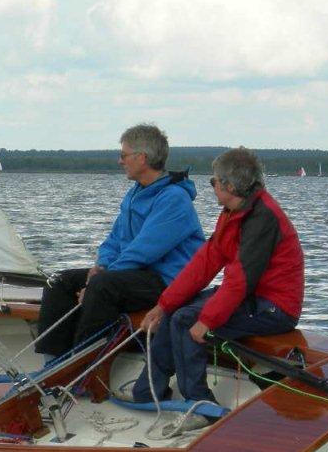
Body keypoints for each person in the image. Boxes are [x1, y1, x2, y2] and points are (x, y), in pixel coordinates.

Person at [133, 146, 304, 404]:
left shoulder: (262, 218)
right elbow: (206, 261)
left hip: (275, 306)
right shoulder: (234, 212)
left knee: (186, 321)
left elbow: (241, 279)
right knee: (174, 312)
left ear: (229, 187)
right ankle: (148, 392)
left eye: (214, 181)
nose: (212, 185)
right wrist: (163, 304)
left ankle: (200, 405)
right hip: (251, 296)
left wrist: (208, 320)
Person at [35, 123, 205, 360]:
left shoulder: (174, 199)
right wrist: (101, 265)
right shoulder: (136, 193)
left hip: (166, 280)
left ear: (142, 158)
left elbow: (143, 251)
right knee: (60, 281)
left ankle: (84, 367)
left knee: (102, 287)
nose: (120, 161)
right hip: (136, 274)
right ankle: (53, 364)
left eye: (123, 155)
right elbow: (116, 239)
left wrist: (101, 279)